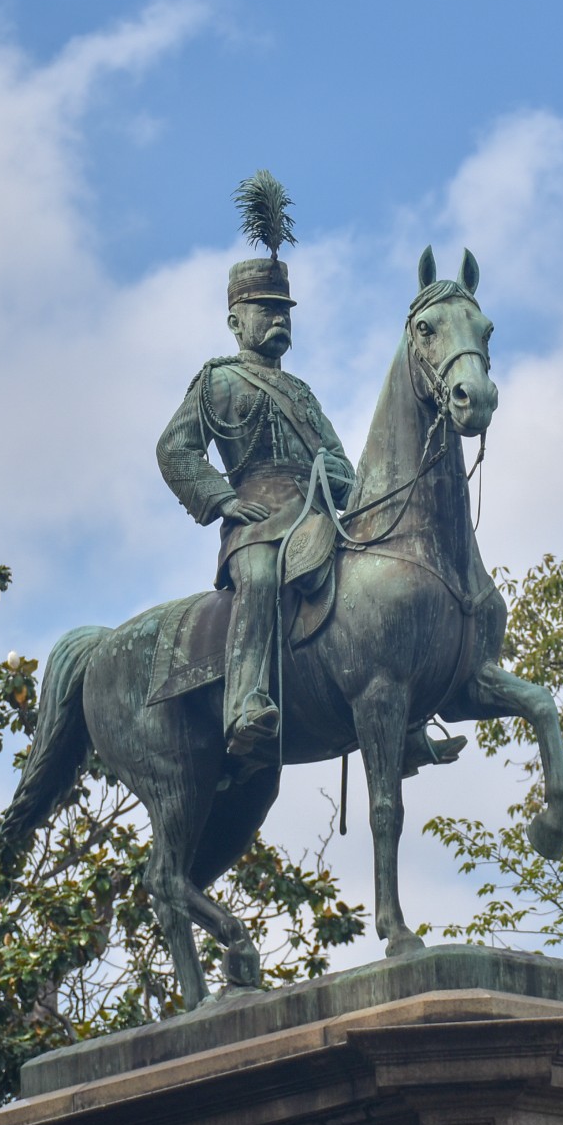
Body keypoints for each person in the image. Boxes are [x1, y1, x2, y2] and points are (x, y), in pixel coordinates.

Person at [156, 254, 354, 756]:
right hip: (258, 522)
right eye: (264, 309)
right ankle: (245, 702)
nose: (279, 319)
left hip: (317, 515)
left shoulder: (302, 393)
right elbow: (174, 447)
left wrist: (340, 474)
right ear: (235, 321)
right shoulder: (218, 381)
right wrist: (222, 499)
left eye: (284, 309)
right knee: (261, 579)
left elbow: (339, 459)